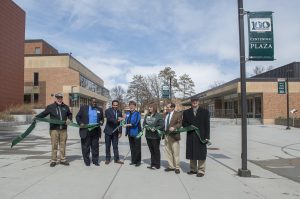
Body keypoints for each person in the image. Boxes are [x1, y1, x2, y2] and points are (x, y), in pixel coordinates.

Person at [35, 93, 72, 167]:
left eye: (60, 98)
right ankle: (53, 160)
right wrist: (36, 117)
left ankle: (62, 159)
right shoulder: (50, 107)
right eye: (58, 98)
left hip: (63, 129)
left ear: (62, 98)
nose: (59, 99)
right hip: (54, 129)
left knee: (63, 145)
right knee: (54, 145)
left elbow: (70, 114)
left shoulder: (66, 107)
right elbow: (43, 114)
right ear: (55, 98)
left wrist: (69, 119)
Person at [182, 97, 210, 177]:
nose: (194, 102)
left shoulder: (205, 112)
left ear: (198, 102)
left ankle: (201, 170)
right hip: (191, 135)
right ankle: (193, 169)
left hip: (201, 136)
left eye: (196, 101)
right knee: (192, 152)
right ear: (191, 102)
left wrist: (207, 137)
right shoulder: (186, 112)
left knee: (201, 153)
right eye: (193, 101)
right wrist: (189, 126)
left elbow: (207, 125)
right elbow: (184, 124)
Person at [76, 98, 104, 166]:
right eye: (93, 102)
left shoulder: (99, 109)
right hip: (86, 130)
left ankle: (95, 161)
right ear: (90, 102)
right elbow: (78, 117)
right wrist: (80, 123)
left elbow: (102, 119)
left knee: (95, 147)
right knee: (86, 147)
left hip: (95, 130)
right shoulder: (83, 108)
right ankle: (87, 161)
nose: (94, 103)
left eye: (95, 102)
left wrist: (101, 122)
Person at [143, 103, 164, 169]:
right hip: (148, 136)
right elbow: (144, 123)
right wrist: (146, 126)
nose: (149, 109)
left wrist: (155, 128)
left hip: (155, 136)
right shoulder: (147, 115)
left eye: (151, 107)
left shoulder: (158, 115)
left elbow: (162, 125)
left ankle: (157, 164)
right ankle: (152, 163)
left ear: (154, 108)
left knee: (156, 150)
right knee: (151, 150)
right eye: (149, 107)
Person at [103, 100, 124, 165]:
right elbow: (109, 119)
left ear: (118, 105)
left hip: (115, 132)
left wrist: (120, 132)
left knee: (115, 146)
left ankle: (116, 159)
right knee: (107, 146)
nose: (115, 106)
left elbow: (121, 123)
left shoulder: (119, 112)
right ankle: (107, 159)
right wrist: (118, 120)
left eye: (116, 105)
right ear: (112, 105)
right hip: (108, 131)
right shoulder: (107, 111)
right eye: (114, 105)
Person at [164, 102, 182, 174]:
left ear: (173, 107)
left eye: (168, 107)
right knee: (168, 152)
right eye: (167, 107)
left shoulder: (178, 114)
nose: (167, 108)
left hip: (174, 136)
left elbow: (180, 123)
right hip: (166, 135)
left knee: (175, 152)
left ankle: (177, 167)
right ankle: (171, 166)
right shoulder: (165, 114)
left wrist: (174, 127)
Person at [124, 101, 142, 167]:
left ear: (135, 106)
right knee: (132, 147)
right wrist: (123, 120)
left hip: (136, 133)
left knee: (137, 147)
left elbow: (135, 123)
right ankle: (133, 160)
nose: (131, 107)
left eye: (133, 106)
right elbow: (125, 120)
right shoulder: (128, 113)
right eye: (130, 106)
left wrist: (127, 125)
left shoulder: (137, 114)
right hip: (130, 133)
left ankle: (138, 161)